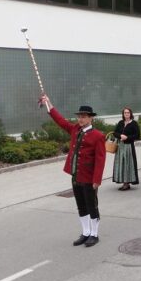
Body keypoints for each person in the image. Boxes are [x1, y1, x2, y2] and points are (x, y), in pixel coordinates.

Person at [40, 95, 106, 248]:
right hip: (76, 175)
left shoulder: (98, 136)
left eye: (83, 117)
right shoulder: (75, 130)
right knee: (81, 206)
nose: (80, 119)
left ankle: (94, 234)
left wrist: (97, 180)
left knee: (92, 206)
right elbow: (61, 121)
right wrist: (49, 104)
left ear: (90, 118)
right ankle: (85, 232)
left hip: (89, 177)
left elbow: (100, 160)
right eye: (79, 117)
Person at [112, 107, 139, 191]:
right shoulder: (120, 122)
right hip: (120, 147)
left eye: (128, 113)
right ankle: (123, 181)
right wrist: (120, 136)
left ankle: (126, 183)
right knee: (121, 164)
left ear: (130, 114)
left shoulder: (134, 123)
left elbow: (137, 135)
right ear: (123, 114)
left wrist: (127, 137)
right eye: (125, 113)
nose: (126, 114)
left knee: (128, 164)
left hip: (128, 147)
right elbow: (114, 133)